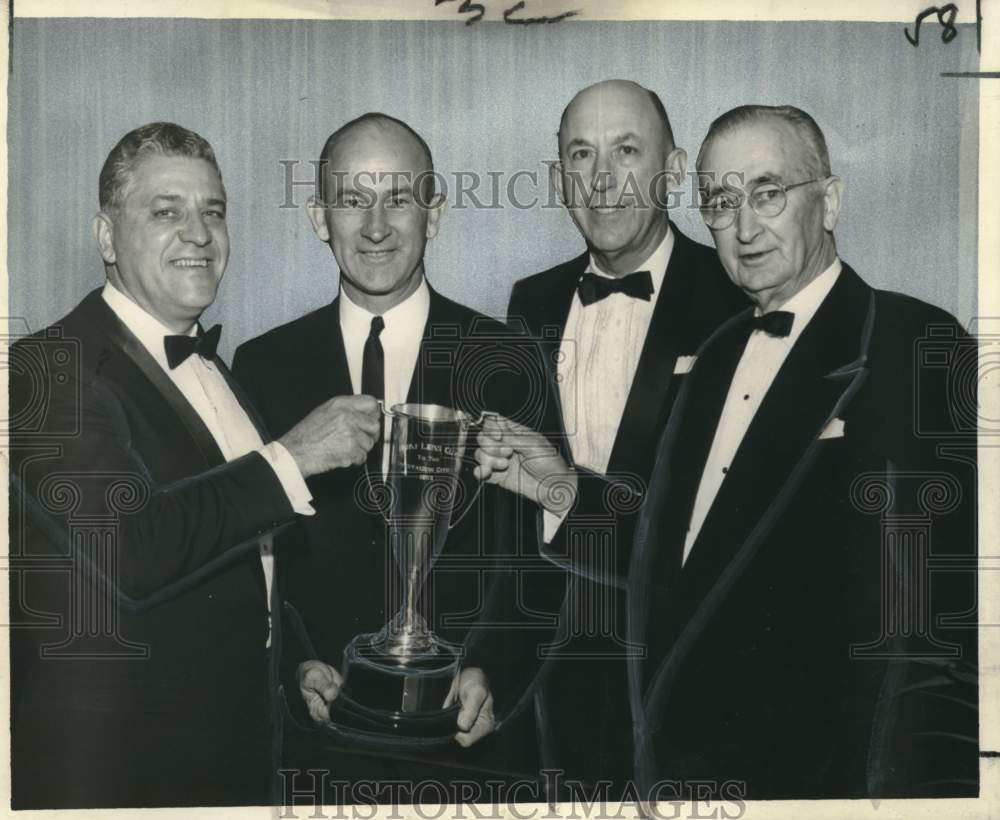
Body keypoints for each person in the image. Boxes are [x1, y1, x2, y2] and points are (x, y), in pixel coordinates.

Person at [8, 122, 381, 808]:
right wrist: (291, 456)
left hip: (237, 762)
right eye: (165, 211)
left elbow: (242, 551)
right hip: (119, 779)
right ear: (105, 238)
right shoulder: (47, 367)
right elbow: (127, 548)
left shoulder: (223, 373)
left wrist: (293, 659)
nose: (199, 234)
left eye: (213, 211)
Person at [624, 104, 978, 798]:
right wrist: (555, 487)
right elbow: (683, 559)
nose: (745, 228)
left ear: (831, 200)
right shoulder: (715, 356)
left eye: (768, 192)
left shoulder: (917, 345)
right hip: (682, 774)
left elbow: (940, 626)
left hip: (828, 781)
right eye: (722, 203)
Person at [232, 113, 563, 798]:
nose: (376, 227)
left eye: (400, 198)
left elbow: (540, 560)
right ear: (320, 216)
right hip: (320, 753)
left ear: (434, 213)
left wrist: (491, 673)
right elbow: (256, 561)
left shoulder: (509, 360)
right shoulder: (262, 366)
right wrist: (298, 668)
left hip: (470, 754)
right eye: (353, 199)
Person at [488, 79, 746, 792]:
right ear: (556, 178)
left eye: (626, 151)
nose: (601, 180)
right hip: (539, 686)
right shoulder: (529, 303)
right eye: (581, 155)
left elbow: (715, 526)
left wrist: (565, 491)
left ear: (672, 167)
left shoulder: (737, 299)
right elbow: (508, 517)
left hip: (681, 684)